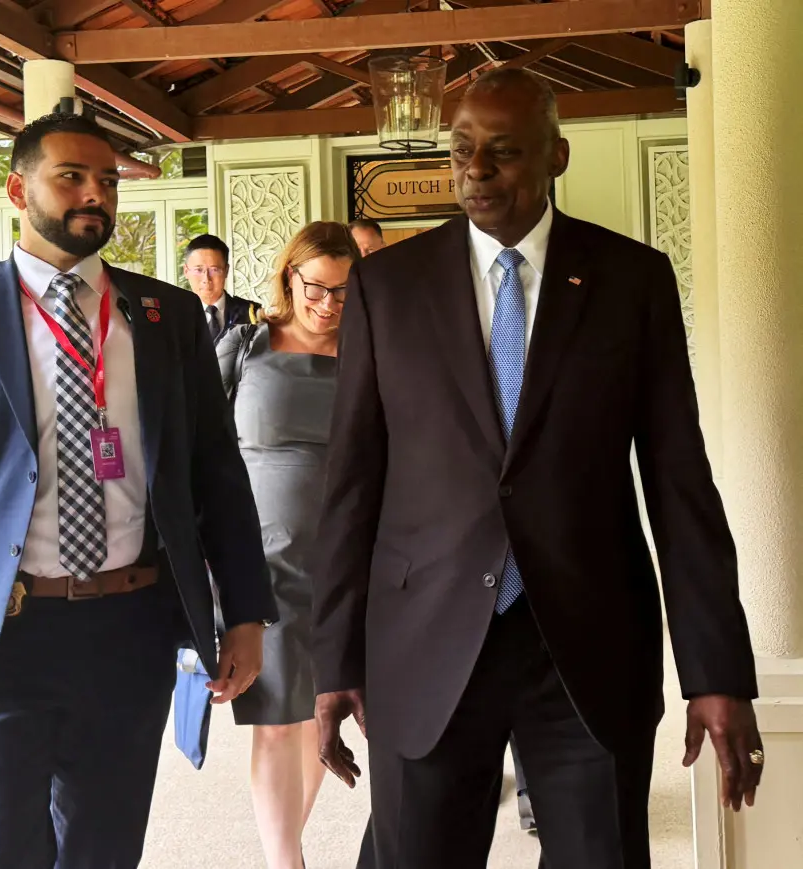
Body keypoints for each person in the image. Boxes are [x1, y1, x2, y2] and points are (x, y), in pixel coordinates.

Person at [313, 68, 764, 869]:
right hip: (424, 641)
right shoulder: (388, 287)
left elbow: (679, 482)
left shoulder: (633, 280)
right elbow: (353, 481)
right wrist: (334, 658)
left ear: (556, 155)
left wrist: (717, 670)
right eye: (463, 151)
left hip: (588, 646)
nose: (476, 170)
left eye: (504, 151)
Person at [0, 112, 278, 869]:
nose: (95, 193)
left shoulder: (167, 315)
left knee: (105, 846)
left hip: (130, 627)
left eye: (108, 180)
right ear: (16, 188)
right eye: (72, 176)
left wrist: (246, 611)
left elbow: (216, 473)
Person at [217, 222, 357, 869]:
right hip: (263, 566)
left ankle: (284, 848)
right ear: (290, 278)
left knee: (320, 717)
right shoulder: (244, 345)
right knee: (275, 719)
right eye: (317, 287)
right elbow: (200, 449)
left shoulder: (372, 354)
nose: (328, 303)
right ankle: (285, 862)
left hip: (349, 566)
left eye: (344, 292)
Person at [183, 233, 261, 343]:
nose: (206, 279)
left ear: (226, 271)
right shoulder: (175, 316)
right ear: (186, 271)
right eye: (198, 270)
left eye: (214, 270)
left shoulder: (252, 314)